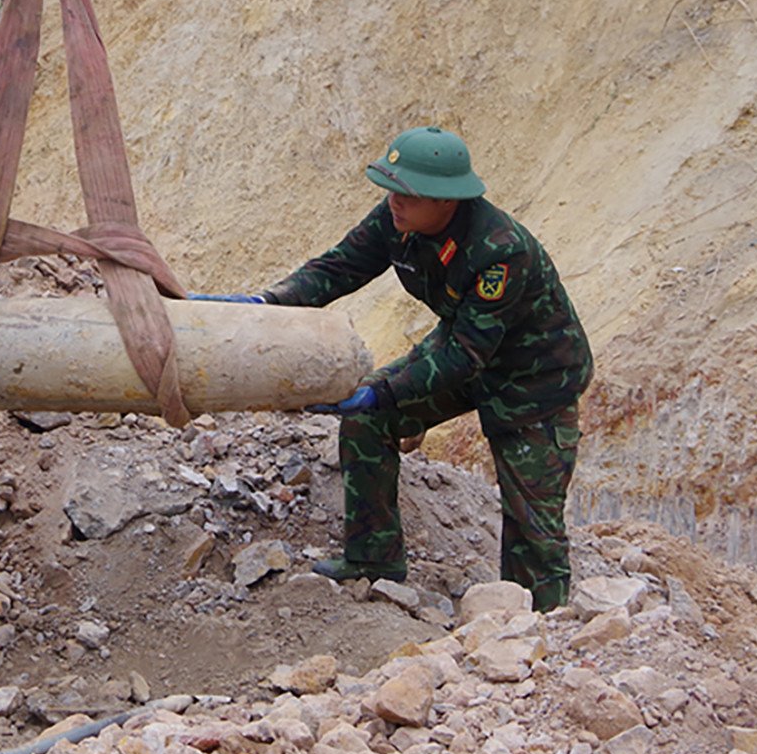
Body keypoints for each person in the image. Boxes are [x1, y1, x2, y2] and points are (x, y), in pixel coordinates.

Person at [230, 126, 592, 612]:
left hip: (535, 378)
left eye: (409, 193)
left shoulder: (502, 251)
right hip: (464, 344)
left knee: (531, 516)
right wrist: (266, 303)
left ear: (447, 202)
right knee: (367, 420)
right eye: (391, 188)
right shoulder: (397, 218)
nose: (394, 201)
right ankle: (373, 559)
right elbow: (337, 269)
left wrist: (385, 392)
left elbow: (464, 356)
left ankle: (540, 627)